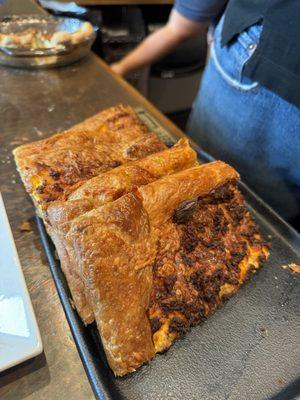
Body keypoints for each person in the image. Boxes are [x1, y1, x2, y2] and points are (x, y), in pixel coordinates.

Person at [111, 0, 300, 229]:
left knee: (214, 208)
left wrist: (121, 68)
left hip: (267, 60)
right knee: (270, 227)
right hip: (271, 53)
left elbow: (180, 27)